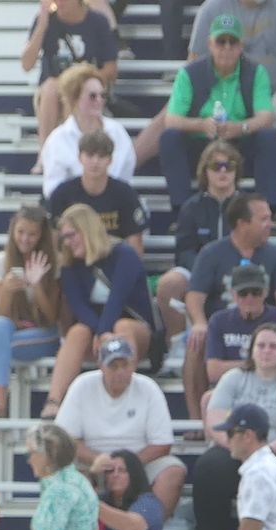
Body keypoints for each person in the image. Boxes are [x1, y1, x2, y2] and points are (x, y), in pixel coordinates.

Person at [193, 323, 276, 530]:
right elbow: (215, 422)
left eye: (273, 346)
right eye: (261, 345)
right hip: (236, 445)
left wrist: (265, 450)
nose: (266, 351)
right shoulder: (233, 378)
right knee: (208, 468)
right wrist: (239, 447)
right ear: (251, 350)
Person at [182, 194, 276, 421]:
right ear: (242, 224)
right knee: (195, 341)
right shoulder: (212, 253)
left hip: (265, 324)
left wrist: (275, 329)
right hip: (222, 327)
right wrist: (200, 322)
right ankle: (196, 421)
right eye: (263, 219)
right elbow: (194, 295)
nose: (269, 225)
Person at [157, 15, 276, 210]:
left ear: (241, 46)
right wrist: (201, 124)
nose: (227, 48)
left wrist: (241, 128)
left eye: (233, 42)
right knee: (169, 138)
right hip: (201, 143)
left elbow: (266, 117)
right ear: (210, 45)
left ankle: (269, 211)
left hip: (239, 143)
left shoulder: (256, 72)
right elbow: (171, 120)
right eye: (221, 42)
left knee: (268, 137)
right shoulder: (189, 73)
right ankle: (182, 212)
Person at [57, 332, 181, 512]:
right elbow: (65, 440)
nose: (120, 372)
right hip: (92, 461)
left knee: (173, 472)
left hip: (140, 462)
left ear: (134, 364)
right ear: (101, 366)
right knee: (64, 472)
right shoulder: (82, 385)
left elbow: (162, 444)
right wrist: (96, 460)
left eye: (125, 365)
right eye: (113, 366)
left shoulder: (148, 388)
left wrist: (127, 466)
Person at [54, 201, 158, 408]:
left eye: (71, 235)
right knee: (77, 332)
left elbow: (117, 299)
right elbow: (78, 306)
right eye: (64, 237)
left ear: (87, 230)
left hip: (135, 329)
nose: (67, 242)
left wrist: (104, 332)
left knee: (122, 328)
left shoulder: (124, 254)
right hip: (95, 334)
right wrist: (100, 333)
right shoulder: (70, 265)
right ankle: (54, 400)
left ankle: (126, 398)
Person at [0, 205, 62, 431]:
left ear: (41, 235)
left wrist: (37, 286)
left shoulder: (53, 263)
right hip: (15, 328)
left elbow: (52, 317)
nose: (25, 239)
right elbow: (1, 312)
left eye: (32, 234)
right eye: (21, 232)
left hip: (45, 333)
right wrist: (7, 288)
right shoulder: (1, 263)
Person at [151, 137, 234, 347]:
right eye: (216, 166)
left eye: (228, 166)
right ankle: (177, 343)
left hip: (239, 270)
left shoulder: (247, 206)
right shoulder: (191, 207)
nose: (223, 171)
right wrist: (204, 270)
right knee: (169, 283)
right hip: (198, 270)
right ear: (205, 171)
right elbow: (184, 250)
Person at [25, 0, 117, 154]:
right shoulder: (47, 21)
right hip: (52, 93)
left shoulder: (98, 21)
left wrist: (83, 80)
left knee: (79, 92)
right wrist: (41, 26)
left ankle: (79, 152)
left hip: (84, 87)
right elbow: (26, 64)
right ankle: (45, 154)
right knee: (51, 88)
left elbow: (111, 69)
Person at [201, 263, 276, 396]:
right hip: (232, 387)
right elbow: (213, 371)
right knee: (208, 398)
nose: (250, 298)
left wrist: (235, 365)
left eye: (256, 292)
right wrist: (262, 363)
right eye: (243, 293)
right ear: (233, 294)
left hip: (274, 387)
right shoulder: (219, 321)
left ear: (265, 292)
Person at [39, 62, 135, 200]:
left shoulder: (117, 132)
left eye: (103, 95)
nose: (99, 100)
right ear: (74, 98)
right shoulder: (57, 139)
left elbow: (126, 178)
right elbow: (53, 190)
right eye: (92, 96)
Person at [45, 128, 146, 259]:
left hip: (112, 261)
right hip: (73, 262)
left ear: (110, 160)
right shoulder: (62, 194)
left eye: (101, 156)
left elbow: (135, 245)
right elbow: (53, 242)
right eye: (90, 155)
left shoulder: (125, 194)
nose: (95, 161)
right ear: (80, 157)